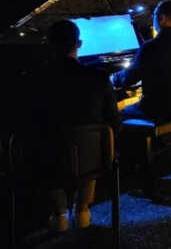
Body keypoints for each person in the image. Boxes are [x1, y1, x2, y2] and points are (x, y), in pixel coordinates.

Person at [38, 20, 119, 231]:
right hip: (94, 160)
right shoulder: (98, 77)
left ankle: (59, 214)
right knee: (90, 142)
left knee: (45, 143)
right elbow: (114, 120)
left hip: (48, 159)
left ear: (48, 44)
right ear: (80, 43)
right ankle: (83, 210)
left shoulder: (34, 79)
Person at [113, 1, 171, 122]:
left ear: (161, 18)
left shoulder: (151, 46)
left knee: (118, 114)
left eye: (154, 15)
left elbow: (128, 78)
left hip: (159, 109)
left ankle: (139, 140)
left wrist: (113, 78)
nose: (152, 19)